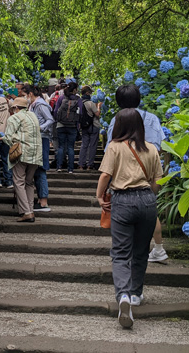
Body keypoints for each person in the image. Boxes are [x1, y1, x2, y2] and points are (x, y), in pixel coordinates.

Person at [96, 108, 163, 329]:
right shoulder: (152, 149)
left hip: (122, 201)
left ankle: (123, 295)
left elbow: (106, 175)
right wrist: (147, 196)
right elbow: (157, 182)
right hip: (147, 201)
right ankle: (136, 294)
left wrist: (99, 195)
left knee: (120, 252)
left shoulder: (114, 147)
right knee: (141, 250)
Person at [107, 84, 168, 262]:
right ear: (139, 99)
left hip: (125, 170)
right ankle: (158, 248)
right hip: (151, 167)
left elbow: (110, 148)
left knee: (125, 211)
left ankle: (128, 251)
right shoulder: (152, 118)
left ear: (119, 101)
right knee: (150, 210)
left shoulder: (117, 119)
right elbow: (161, 145)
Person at [3, 97, 43, 222]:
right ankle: (29, 210)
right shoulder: (33, 115)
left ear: (15, 108)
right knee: (29, 182)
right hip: (36, 154)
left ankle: (27, 212)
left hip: (21, 154)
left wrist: (8, 138)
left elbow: (8, 137)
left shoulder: (14, 117)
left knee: (19, 182)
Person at [25, 84, 54, 212]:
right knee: (37, 169)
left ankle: (43, 201)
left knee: (40, 168)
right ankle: (40, 200)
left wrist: (39, 127)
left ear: (30, 94)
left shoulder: (40, 105)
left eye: (25, 95)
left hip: (41, 138)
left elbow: (50, 119)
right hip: (37, 139)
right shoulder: (34, 104)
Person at [52, 81, 82, 174]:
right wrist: (78, 124)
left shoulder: (61, 98)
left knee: (61, 147)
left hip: (61, 125)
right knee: (70, 147)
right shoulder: (78, 99)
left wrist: (59, 120)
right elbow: (80, 113)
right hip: (72, 126)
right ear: (74, 90)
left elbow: (56, 111)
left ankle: (59, 166)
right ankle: (70, 169)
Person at [78, 86, 102, 170]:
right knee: (92, 145)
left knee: (84, 145)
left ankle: (81, 164)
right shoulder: (90, 103)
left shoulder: (79, 102)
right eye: (90, 93)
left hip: (84, 126)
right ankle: (89, 164)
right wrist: (99, 106)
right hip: (93, 126)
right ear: (87, 93)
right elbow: (97, 114)